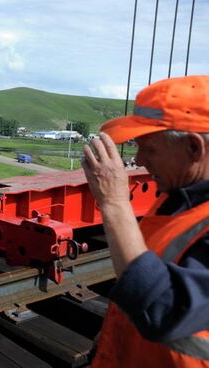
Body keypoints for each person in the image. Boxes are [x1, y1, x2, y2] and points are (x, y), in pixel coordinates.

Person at [81, 75, 209, 367]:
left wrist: (113, 202)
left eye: (149, 149)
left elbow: (163, 308)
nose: (138, 160)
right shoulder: (179, 196)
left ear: (193, 148)